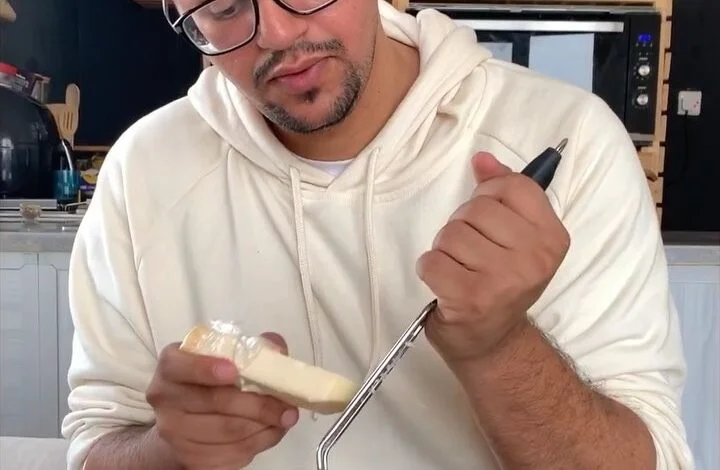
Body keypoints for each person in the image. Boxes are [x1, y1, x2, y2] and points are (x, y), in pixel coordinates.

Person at [61, 0, 694, 469]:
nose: (277, 34)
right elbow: (97, 442)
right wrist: (167, 451)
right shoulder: (144, 171)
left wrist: (498, 345)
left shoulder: (571, 138)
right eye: (224, 7)